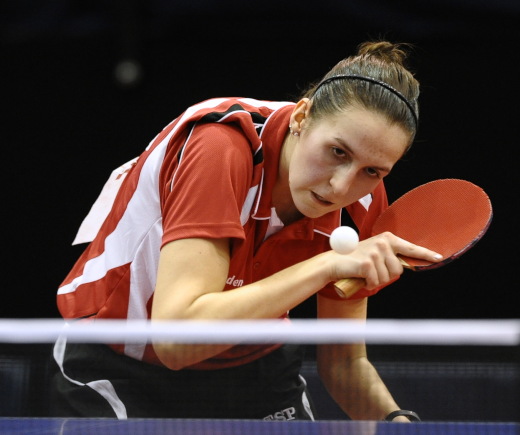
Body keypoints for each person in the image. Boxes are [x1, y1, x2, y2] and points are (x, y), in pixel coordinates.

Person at [50, 40, 440, 422]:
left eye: (372, 171)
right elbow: (175, 341)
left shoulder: (365, 202)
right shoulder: (220, 148)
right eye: (337, 152)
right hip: (121, 364)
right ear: (301, 117)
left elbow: (344, 361)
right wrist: (325, 268)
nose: (341, 186)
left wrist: (395, 420)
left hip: (255, 372)